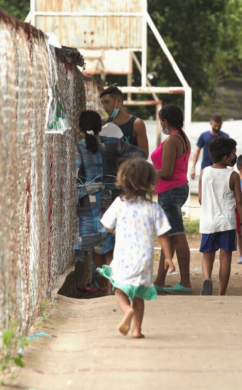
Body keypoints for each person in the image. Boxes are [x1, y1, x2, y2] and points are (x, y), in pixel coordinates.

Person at [99, 158, 175, 338]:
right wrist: (168, 258)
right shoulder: (154, 208)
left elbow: (107, 225)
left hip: (124, 258)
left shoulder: (119, 203)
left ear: (123, 180)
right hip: (144, 261)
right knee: (139, 296)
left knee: (119, 289)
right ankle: (136, 330)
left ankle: (126, 310)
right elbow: (163, 234)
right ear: (150, 182)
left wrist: (117, 229)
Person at [75, 110, 147, 294]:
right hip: (112, 197)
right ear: (101, 128)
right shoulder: (114, 143)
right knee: (112, 240)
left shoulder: (80, 146)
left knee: (95, 242)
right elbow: (141, 153)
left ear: (80, 128)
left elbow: (76, 172)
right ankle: (112, 286)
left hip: (88, 200)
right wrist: (119, 161)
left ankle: (105, 281)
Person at [150, 105, 193, 294]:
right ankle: (159, 282)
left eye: (161, 122)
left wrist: (146, 174)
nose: (161, 125)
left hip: (169, 191)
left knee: (177, 235)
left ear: (165, 121)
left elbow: (166, 172)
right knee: (168, 238)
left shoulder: (171, 141)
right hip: (179, 188)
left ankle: (185, 282)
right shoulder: (183, 138)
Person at [197, 136, 242, 296]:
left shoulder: (204, 172)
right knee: (225, 258)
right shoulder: (233, 176)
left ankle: (207, 278)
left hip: (208, 221)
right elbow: (239, 201)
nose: (234, 157)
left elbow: (200, 199)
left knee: (207, 255)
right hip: (227, 223)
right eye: (233, 154)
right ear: (226, 157)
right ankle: (221, 293)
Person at [100, 86, 149, 155]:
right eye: (102, 103)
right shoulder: (103, 123)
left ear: (118, 101)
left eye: (107, 102)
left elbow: (144, 154)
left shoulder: (136, 124)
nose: (104, 106)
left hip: (131, 165)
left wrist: (118, 160)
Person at [190, 113, 229, 180]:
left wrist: (232, 167)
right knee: (204, 189)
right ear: (211, 123)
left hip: (221, 170)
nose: (217, 128)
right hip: (206, 169)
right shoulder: (204, 136)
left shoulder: (225, 137)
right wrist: (193, 168)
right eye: (215, 126)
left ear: (221, 124)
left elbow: (229, 153)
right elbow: (197, 151)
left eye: (219, 126)